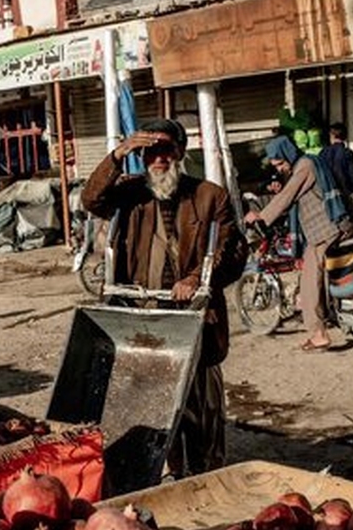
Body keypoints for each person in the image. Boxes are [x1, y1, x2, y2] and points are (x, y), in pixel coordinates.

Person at [82, 118, 248, 478]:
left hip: (197, 320)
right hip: (146, 321)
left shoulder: (209, 196)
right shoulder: (130, 193)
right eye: (150, 152)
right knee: (155, 411)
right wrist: (118, 154)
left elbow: (232, 250)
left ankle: (206, 479)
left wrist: (195, 278)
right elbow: (90, 199)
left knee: (202, 413)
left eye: (166, 150)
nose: (158, 159)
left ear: (180, 152)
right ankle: (169, 474)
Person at [244, 136, 345, 352]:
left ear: (288, 154)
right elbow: (288, 191)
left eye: (280, 163)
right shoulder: (304, 165)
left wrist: (261, 216)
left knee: (309, 280)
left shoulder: (305, 166)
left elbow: (288, 196)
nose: (279, 168)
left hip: (324, 230)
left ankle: (318, 334)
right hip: (326, 229)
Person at [320, 123, 353, 197]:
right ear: (345, 137)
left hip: (328, 192)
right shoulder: (348, 153)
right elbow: (352, 175)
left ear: (332, 136)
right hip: (344, 192)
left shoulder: (323, 152)